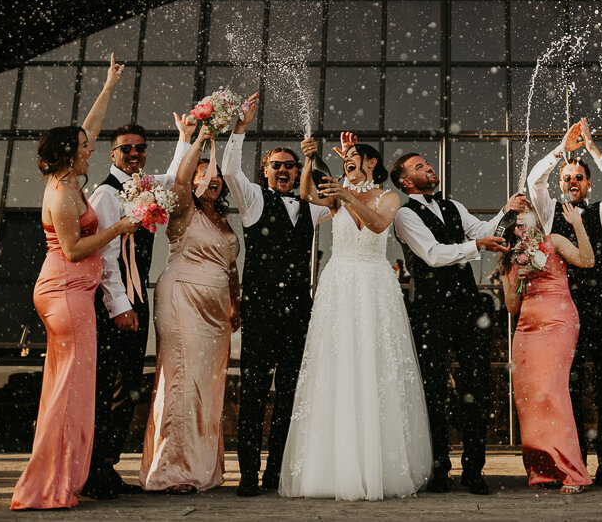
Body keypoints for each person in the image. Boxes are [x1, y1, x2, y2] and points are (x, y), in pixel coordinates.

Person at [11, 55, 139, 511]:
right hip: (65, 293)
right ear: (69, 154)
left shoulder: (67, 178)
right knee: (70, 390)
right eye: (84, 148)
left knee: (71, 388)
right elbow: (74, 249)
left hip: (72, 292)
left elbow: (89, 128)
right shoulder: (63, 192)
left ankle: (61, 477)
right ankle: (48, 485)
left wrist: (107, 87)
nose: (91, 150)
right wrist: (116, 231)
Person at [278, 132, 433, 500]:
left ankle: (377, 464)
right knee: (338, 366)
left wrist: (349, 194)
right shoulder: (335, 196)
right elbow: (305, 196)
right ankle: (333, 466)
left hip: (374, 285)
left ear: (372, 163)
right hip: (339, 284)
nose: (347, 163)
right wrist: (310, 162)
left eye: (354, 158)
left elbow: (378, 224)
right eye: (344, 159)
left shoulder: (390, 196)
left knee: (376, 367)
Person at [220, 92, 332, 496]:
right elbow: (230, 169)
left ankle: (275, 473)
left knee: (288, 395)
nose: (283, 170)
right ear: (264, 171)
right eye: (276, 165)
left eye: (290, 166)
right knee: (252, 393)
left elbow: (339, 197)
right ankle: (249, 475)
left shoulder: (312, 208)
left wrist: (316, 159)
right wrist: (239, 128)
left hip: (299, 311)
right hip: (262, 310)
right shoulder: (252, 200)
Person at [391, 152, 522, 495]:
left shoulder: (453, 206)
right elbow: (433, 254)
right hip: (430, 312)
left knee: (475, 389)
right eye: (419, 167)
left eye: (427, 164)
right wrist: (476, 245)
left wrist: (507, 211)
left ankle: (474, 471)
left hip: (466, 308)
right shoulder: (404, 215)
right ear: (405, 181)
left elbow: (483, 230)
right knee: (433, 391)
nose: (428, 168)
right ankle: (439, 471)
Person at [84, 117, 196, 496]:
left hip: (137, 299)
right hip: (114, 303)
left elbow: (176, 175)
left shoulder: (146, 186)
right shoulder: (106, 194)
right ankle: (93, 469)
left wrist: (185, 136)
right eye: (126, 148)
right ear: (113, 153)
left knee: (129, 385)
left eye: (140, 148)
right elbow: (104, 254)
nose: (134, 154)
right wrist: (119, 305)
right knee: (109, 387)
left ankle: (106, 466)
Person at [525, 118, 602, 489]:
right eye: (567, 178)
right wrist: (561, 149)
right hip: (562, 312)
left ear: (588, 183)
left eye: (578, 178)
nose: (572, 182)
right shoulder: (548, 211)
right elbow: (534, 181)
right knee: (566, 388)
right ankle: (575, 464)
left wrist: (590, 147)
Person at [139, 126, 239, 493]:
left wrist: (236, 303)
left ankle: (201, 468)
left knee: (208, 388)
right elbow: (180, 178)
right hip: (183, 300)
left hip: (217, 315)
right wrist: (198, 138)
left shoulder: (223, 220)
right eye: (204, 173)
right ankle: (173, 470)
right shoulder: (182, 208)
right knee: (183, 381)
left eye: (217, 176)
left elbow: (230, 267)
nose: (212, 179)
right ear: (193, 178)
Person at [500, 204, 595, 493]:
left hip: (558, 320)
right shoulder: (509, 259)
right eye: (515, 223)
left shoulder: (553, 241)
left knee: (551, 392)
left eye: (525, 219)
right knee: (528, 399)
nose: (521, 226)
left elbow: (587, 260)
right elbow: (512, 307)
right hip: (526, 329)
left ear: (536, 220)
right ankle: (542, 470)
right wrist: (521, 278)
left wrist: (577, 223)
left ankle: (572, 472)